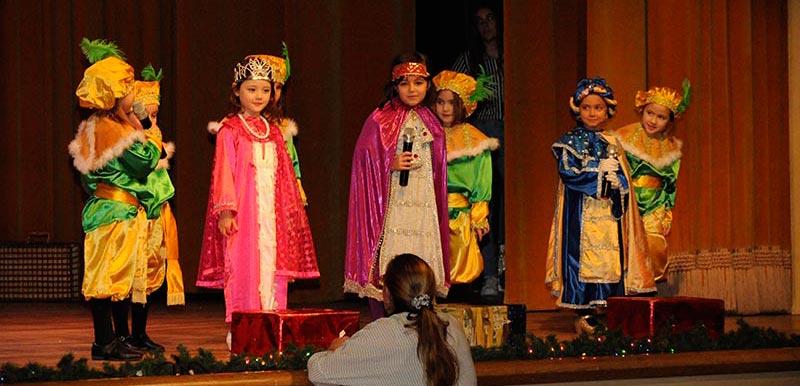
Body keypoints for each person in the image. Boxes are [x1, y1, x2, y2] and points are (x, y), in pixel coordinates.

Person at [196, 54, 319, 346]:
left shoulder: (274, 131)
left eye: (264, 90)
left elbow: (286, 176)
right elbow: (223, 171)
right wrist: (226, 210)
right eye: (251, 89)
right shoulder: (231, 130)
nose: (259, 96)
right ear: (237, 90)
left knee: (273, 266)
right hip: (245, 214)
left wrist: (290, 213)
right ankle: (242, 327)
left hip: (272, 216)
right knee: (243, 267)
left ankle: (273, 324)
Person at [69, 38, 173, 360]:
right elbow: (143, 162)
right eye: (128, 89)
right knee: (107, 278)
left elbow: (88, 177)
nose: (133, 95)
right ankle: (104, 342)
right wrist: (150, 134)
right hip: (115, 213)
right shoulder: (116, 131)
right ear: (115, 95)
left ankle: (112, 339)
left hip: (106, 210)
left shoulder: (96, 126)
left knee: (111, 276)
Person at [344, 52, 450, 320]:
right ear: (394, 85)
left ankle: (421, 317)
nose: (412, 89)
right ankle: (387, 318)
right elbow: (363, 161)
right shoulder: (381, 118)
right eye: (405, 83)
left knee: (420, 255)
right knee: (394, 257)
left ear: (428, 85)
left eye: (418, 82)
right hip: (392, 207)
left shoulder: (431, 120)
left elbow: (438, 168)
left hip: (423, 207)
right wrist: (388, 164)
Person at [544, 78, 655, 335]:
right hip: (580, 212)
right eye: (586, 108)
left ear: (608, 111)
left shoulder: (613, 142)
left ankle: (606, 305)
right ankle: (583, 311)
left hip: (607, 214)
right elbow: (569, 173)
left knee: (609, 256)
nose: (592, 113)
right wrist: (597, 173)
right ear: (577, 110)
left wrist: (618, 184)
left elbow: (625, 181)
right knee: (581, 257)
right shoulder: (569, 141)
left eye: (598, 108)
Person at [308, 254, 477, 386]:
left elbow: (318, 372)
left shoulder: (381, 333)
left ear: (387, 294)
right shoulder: (452, 326)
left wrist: (334, 349)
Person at [114, 65, 185, 354]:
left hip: (154, 219)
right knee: (127, 276)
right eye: (144, 115)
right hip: (131, 220)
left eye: (154, 115)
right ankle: (121, 334)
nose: (150, 121)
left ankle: (140, 332)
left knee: (149, 275)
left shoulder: (153, 139)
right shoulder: (126, 143)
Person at [451, 1, 505, 299]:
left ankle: (511, 269)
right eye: (479, 21)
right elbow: (449, 93)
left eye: (491, 19)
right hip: (480, 132)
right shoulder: (470, 60)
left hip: (511, 132)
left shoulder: (513, 55)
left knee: (508, 206)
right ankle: (488, 274)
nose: (485, 26)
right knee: (486, 205)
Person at [613, 81, 691, 282]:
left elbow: (670, 185)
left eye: (661, 117)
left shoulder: (671, 148)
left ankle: (649, 285)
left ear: (670, 121)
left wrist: (666, 213)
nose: (654, 120)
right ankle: (623, 290)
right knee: (624, 244)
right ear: (642, 110)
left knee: (654, 242)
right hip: (627, 200)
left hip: (654, 204)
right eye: (650, 113)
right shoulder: (624, 136)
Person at [431, 70, 498, 287]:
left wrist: (479, 216)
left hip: (459, 213)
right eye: (440, 102)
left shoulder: (476, 140)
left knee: (459, 265)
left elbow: (481, 181)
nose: (446, 108)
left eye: (452, 102)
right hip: (430, 210)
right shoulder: (427, 134)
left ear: (462, 105)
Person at [264, 43, 308, 205]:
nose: (274, 93)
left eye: (279, 87)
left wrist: (297, 183)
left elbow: (292, 160)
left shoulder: (283, 127)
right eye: (269, 87)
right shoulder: (241, 126)